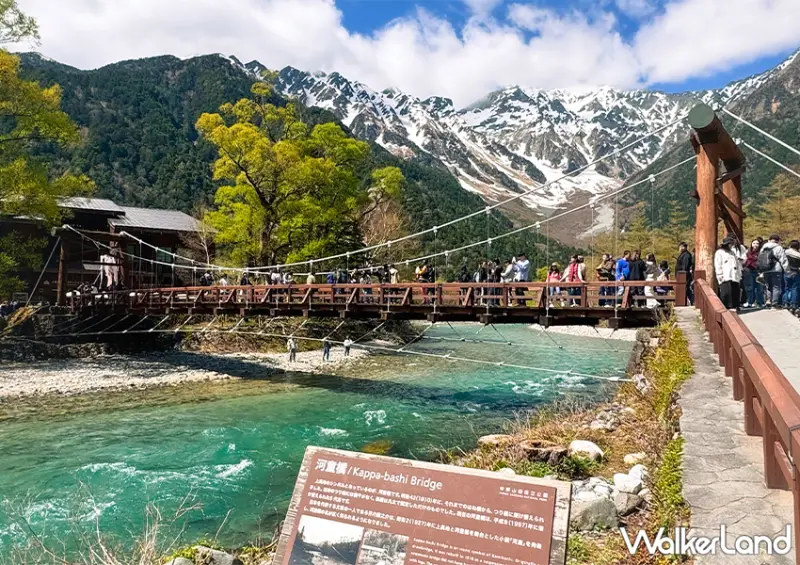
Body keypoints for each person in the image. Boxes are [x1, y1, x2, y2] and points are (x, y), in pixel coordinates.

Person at [714, 235, 746, 310]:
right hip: (725, 274)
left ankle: (735, 305)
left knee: (735, 290)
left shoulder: (732, 252)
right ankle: (727, 306)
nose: (732, 245)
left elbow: (736, 263)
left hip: (734, 274)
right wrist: (719, 273)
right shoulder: (720, 252)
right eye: (731, 244)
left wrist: (739, 274)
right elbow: (718, 264)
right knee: (726, 291)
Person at [758, 235, 789, 308]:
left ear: (769, 240)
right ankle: (774, 303)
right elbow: (783, 259)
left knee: (768, 286)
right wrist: (786, 270)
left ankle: (768, 300)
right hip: (776, 269)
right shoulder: (778, 247)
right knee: (776, 286)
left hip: (766, 270)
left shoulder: (763, 247)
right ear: (778, 241)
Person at [742, 239, 764, 308]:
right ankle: (749, 302)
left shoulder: (761, 253)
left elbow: (763, 263)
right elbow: (743, 260)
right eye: (754, 243)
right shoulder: (747, 252)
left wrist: (762, 272)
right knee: (749, 287)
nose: (755, 245)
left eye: (757, 243)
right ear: (751, 244)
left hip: (758, 271)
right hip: (748, 270)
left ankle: (760, 302)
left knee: (759, 288)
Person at [785, 240, 800, 312]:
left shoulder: (785, 252)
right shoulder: (798, 255)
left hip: (786, 272)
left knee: (787, 288)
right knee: (794, 288)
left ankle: (785, 303)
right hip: (795, 272)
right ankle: (793, 304)